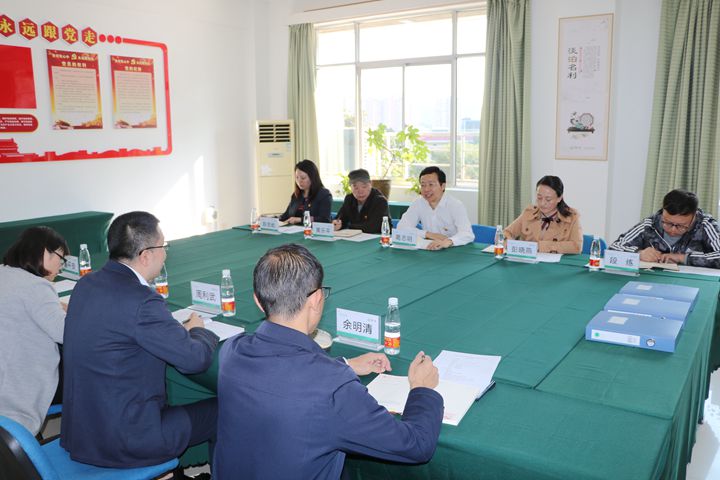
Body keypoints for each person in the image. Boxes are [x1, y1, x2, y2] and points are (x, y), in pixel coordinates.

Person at [214, 244, 443, 479]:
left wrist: (345, 364)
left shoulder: (232, 350)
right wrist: (422, 389)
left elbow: (283, 376)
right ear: (316, 299)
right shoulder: (332, 387)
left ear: (258, 301)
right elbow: (416, 445)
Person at [61, 211, 219, 469]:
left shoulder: (86, 284)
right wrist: (198, 331)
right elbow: (194, 360)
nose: (165, 254)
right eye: (163, 246)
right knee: (227, 409)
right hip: (127, 441)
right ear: (146, 255)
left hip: (83, 433)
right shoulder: (142, 300)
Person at [0, 227, 68, 435]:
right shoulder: (36, 286)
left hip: (6, 371)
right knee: (91, 372)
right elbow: (65, 332)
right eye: (61, 259)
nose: (60, 267)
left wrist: (57, 306)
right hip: (20, 382)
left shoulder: (4, 272)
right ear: (46, 252)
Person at [609, 189, 720, 268]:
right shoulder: (650, 224)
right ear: (663, 211)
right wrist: (638, 253)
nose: (673, 230)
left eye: (681, 226)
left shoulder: (706, 225)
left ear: (694, 216)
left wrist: (683, 258)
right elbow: (613, 248)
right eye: (667, 223)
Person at [397, 166, 474, 250]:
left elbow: (467, 234)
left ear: (443, 186)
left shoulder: (455, 205)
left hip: (453, 250)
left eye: (431, 184)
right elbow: (401, 227)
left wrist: (448, 241)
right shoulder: (418, 203)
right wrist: (428, 234)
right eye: (423, 185)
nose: (426, 189)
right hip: (430, 248)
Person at [503, 175, 583, 254]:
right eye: (539, 198)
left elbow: (576, 246)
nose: (542, 203)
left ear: (559, 198)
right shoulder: (529, 213)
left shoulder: (572, 217)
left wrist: (541, 246)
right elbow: (506, 232)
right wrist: (510, 243)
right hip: (528, 260)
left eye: (548, 199)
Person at [332, 168, 391, 233]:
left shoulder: (380, 201)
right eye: (356, 188)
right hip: (354, 237)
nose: (360, 192)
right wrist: (337, 224)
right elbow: (340, 218)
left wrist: (349, 225)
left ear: (370, 184)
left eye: (364, 187)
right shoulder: (349, 199)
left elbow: (371, 227)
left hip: (378, 238)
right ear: (350, 187)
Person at [279, 159, 332, 224]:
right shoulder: (296, 195)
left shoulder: (324, 194)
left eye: (303, 178)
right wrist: (274, 219)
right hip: (294, 229)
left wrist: (300, 220)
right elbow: (286, 215)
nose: (299, 181)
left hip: (312, 230)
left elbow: (325, 219)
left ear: (312, 177)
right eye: (297, 177)